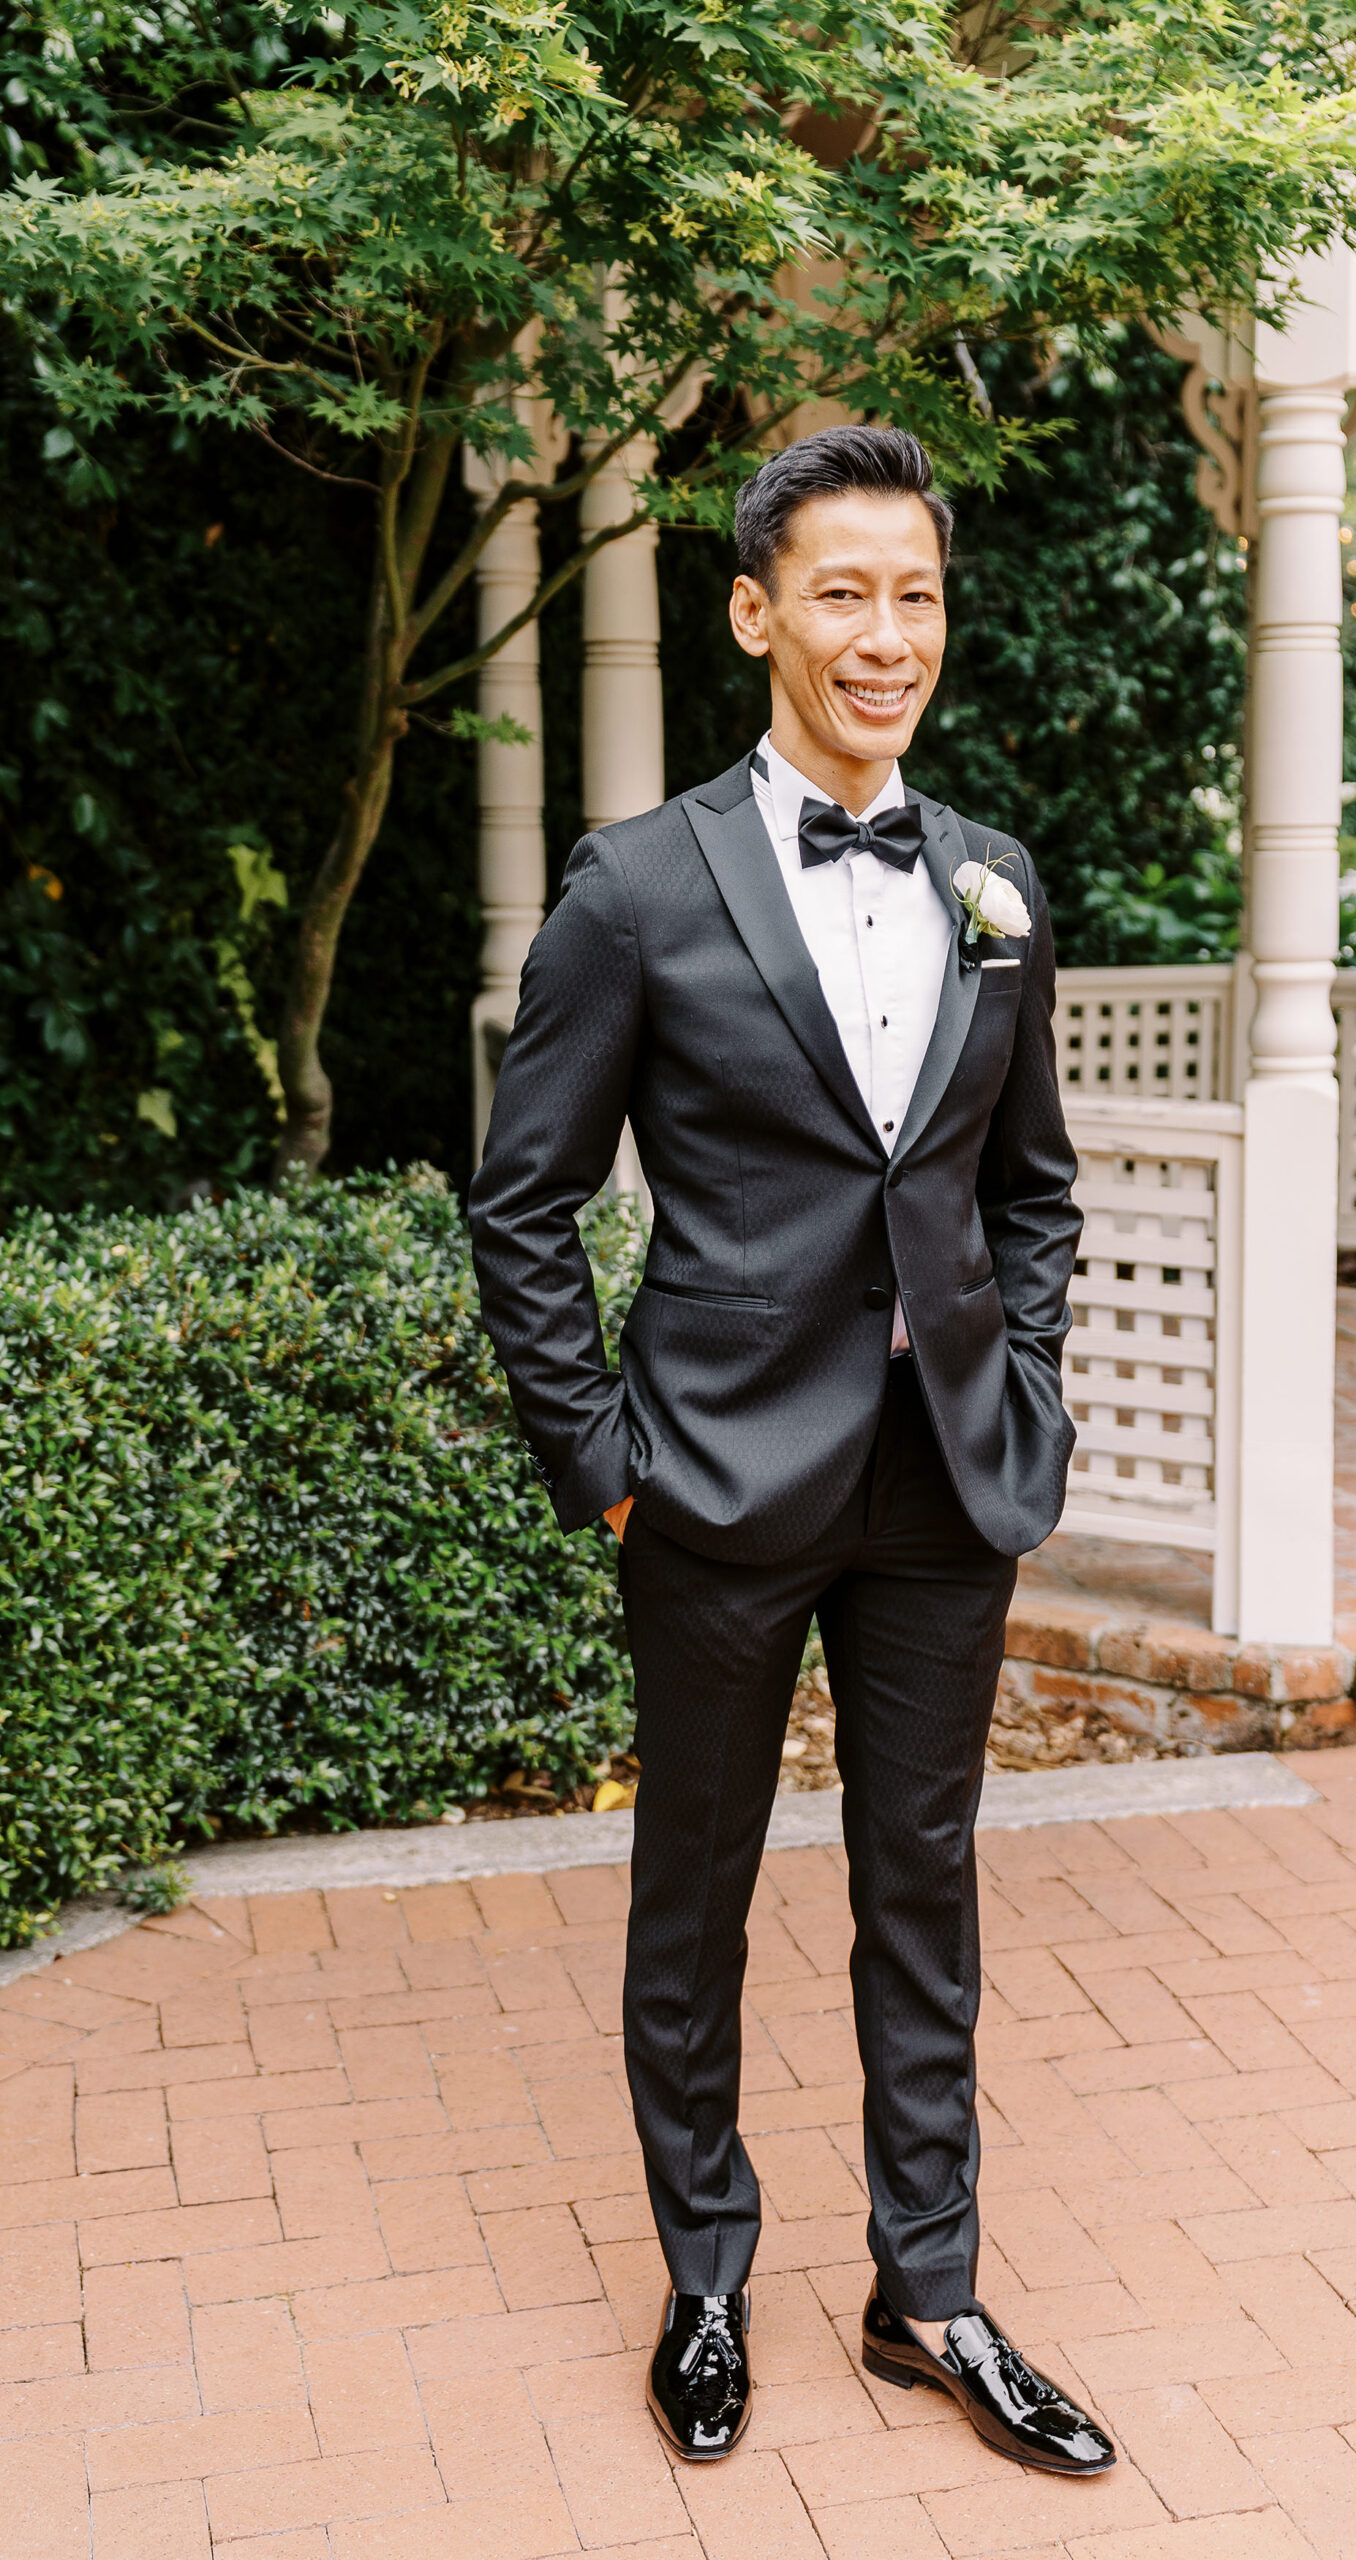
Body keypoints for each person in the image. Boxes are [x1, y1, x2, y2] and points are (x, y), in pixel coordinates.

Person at [469, 424, 1113, 2477]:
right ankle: (709, 2276)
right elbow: (523, 1194)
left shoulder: (996, 874)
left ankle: (927, 2287)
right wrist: (603, 1457)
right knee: (698, 1891)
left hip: (945, 1492)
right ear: (754, 613)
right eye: (841, 591)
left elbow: (1030, 1182)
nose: (884, 632)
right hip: (716, 1482)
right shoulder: (637, 886)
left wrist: (1024, 1377)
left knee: (922, 1887)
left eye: (912, 592)